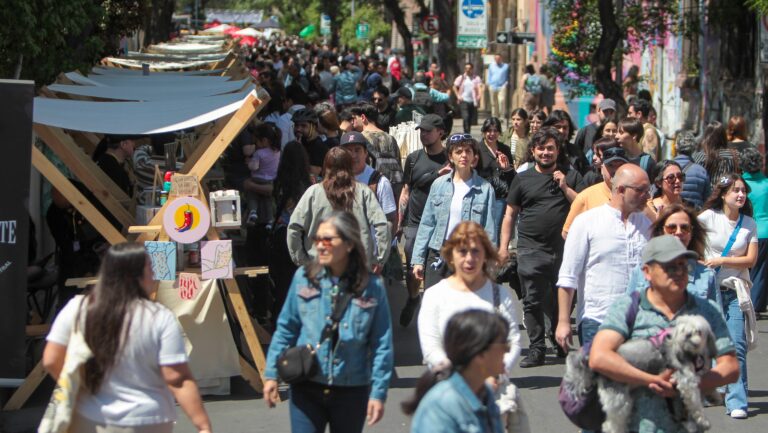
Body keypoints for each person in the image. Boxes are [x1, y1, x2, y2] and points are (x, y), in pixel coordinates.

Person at [43, 243, 212, 433]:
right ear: (136, 276)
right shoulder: (158, 317)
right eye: (150, 268)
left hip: (90, 417)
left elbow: (51, 359)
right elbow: (176, 378)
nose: (154, 274)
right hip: (148, 419)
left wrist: (80, 387)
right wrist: (203, 425)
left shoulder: (78, 308)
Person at [589, 235, 739, 431]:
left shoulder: (706, 310)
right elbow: (599, 357)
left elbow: (730, 366)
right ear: (647, 272)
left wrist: (688, 384)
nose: (678, 272)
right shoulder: (627, 308)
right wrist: (650, 380)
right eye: (669, 267)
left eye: (683, 266)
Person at [263, 211, 394, 433]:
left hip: (351, 389)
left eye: (328, 239)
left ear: (349, 244)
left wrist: (378, 392)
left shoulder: (372, 287)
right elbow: (286, 328)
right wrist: (270, 374)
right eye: (317, 239)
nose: (320, 246)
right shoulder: (304, 278)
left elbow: (382, 344)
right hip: (307, 384)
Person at [498, 127, 582, 367]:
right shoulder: (522, 179)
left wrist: (565, 187)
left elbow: (583, 207)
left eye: (550, 148)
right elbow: (509, 214)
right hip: (530, 248)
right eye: (541, 148)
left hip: (565, 249)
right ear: (533, 151)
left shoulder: (571, 176)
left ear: (557, 151)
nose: (546, 153)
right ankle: (537, 348)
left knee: (562, 299)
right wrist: (504, 247)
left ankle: (559, 339)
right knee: (532, 299)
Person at [555, 164, 652, 350]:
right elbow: (568, 275)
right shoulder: (587, 222)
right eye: (641, 190)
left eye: (649, 190)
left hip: (640, 323)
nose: (647, 196)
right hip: (598, 320)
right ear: (621, 190)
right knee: (599, 380)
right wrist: (563, 321)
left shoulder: (647, 225)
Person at [417, 221, 521, 371]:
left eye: (475, 251)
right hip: (449, 385)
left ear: (485, 254)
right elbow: (431, 347)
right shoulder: (434, 295)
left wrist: (498, 372)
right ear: (450, 256)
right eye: (462, 251)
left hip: (492, 385)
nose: (469, 258)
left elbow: (512, 341)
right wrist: (458, 377)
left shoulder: (499, 294)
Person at [698, 173, 758, 419]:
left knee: (736, 346)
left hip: (734, 291)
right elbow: (688, 243)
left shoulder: (748, 224)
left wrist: (722, 259)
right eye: (736, 191)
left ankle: (737, 401)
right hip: (709, 291)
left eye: (743, 191)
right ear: (723, 194)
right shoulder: (707, 218)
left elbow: (751, 260)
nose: (741, 195)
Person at [411, 134, 496, 290]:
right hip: (438, 255)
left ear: (474, 157)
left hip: (469, 256)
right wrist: (418, 260)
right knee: (436, 307)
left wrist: (489, 263)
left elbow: (489, 229)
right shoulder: (439, 185)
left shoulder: (485, 189)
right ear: (451, 156)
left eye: (468, 151)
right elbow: (427, 224)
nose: (463, 155)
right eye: (458, 152)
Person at [287, 147, 391, 273]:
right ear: (350, 166)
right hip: (357, 268)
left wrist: (302, 261)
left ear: (325, 167)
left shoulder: (313, 193)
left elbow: (293, 228)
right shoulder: (364, 192)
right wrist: (379, 259)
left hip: (320, 268)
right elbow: (382, 225)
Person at [404, 309, 509, 433]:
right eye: (504, 345)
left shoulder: (485, 393)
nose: (508, 351)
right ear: (480, 353)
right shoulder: (440, 406)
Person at [398, 114, 449, 326]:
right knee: (412, 268)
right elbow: (407, 189)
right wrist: (400, 219)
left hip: (441, 223)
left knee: (435, 268)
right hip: (415, 222)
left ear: (441, 133)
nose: (424, 135)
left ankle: (432, 309)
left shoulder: (451, 158)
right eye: (422, 131)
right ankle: (413, 297)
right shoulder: (413, 158)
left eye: (428, 131)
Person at [625, 203, 721, 306]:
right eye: (672, 228)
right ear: (661, 231)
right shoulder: (640, 273)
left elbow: (717, 320)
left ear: (691, 233)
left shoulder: (707, 276)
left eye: (685, 228)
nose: (679, 232)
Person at [269, 141, 313, 324]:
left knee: (282, 284)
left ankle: (282, 322)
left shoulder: (279, 182)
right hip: (302, 237)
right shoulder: (309, 184)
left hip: (280, 234)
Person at [562, 145, 628, 237]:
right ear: (602, 168)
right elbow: (567, 233)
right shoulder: (585, 197)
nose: (615, 170)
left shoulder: (637, 194)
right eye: (610, 165)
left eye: (620, 165)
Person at [351, 103, 404, 200]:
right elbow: (398, 163)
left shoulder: (360, 139)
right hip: (390, 190)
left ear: (363, 117)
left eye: (354, 118)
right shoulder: (390, 138)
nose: (352, 122)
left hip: (370, 187)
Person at [740, 147, 768, 312]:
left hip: (748, 231)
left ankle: (751, 306)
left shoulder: (741, 186)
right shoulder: (766, 184)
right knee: (762, 272)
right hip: (766, 233)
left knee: (748, 270)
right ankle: (757, 304)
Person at [477, 117, 516, 230]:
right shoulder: (477, 149)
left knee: (497, 228)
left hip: (500, 196)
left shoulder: (505, 149)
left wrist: (506, 168)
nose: (492, 134)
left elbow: (511, 173)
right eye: (489, 130)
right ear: (483, 132)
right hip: (482, 195)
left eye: (495, 130)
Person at [243, 123, 281, 225]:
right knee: (267, 200)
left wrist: (249, 163)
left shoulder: (259, 153)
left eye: (257, 141)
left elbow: (254, 167)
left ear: (264, 141)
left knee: (252, 195)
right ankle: (270, 219)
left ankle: (253, 211)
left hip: (257, 178)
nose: (255, 143)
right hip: (270, 180)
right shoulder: (277, 152)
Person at [693, 121, 740, 189]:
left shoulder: (699, 157)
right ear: (723, 136)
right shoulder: (734, 156)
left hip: (706, 196)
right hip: (726, 195)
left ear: (706, 137)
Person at [542, 110, 590, 175]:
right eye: (558, 127)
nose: (561, 131)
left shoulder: (576, 151)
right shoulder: (542, 151)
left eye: (565, 127)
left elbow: (586, 173)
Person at [673, 130, 711, 209]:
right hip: (694, 215)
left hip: (672, 213)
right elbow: (707, 199)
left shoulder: (667, 168)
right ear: (694, 148)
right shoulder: (701, 171)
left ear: (676, 146)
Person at [292, 108, 329, 180]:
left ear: (314, 127)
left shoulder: (319, 146)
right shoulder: (301, 142)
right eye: (296, 125)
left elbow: (313, 174)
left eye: (303, 126)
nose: (298, 129)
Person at [453, 62, 483, 133]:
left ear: (472, 69)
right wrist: (458, 96)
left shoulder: (476, 78)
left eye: (469, 68)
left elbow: (480, 87)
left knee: (469, 118)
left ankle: (467, 131)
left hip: (473, 101)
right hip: (463, 100)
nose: (468, 70)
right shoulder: (462, 78)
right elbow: (454, 86)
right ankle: (466, 133)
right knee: (465, 117)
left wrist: (479, 95)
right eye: (466, 68)